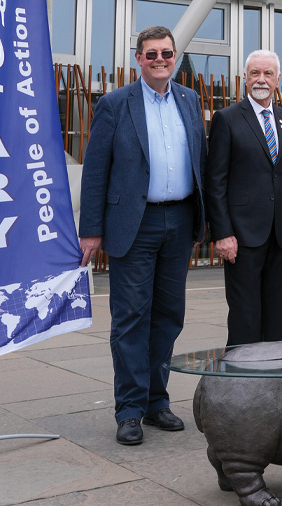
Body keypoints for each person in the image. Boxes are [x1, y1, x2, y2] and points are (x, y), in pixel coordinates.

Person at [79, 26, 206, 445]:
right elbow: (96, 170)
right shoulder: (115, 104)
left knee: (168, 317)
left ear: (174, 57)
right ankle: (130, 410)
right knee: (132, 316)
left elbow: (201, 163)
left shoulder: (189, 100)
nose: (159, 60)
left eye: (166, 53)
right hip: (134, 224)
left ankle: (156, 402)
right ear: (138, 59)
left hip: (179, 222)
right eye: (151, 54)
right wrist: (91, 230)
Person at [205, 50, 282, 347]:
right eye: (254, 73)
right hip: (242, 237)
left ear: (278, 80)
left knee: (277, 317)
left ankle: (273, 381)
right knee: (245, 318)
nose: (261, 79)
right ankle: (238, 383)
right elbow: (215, 181)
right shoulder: (227, 118)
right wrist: (222, 233)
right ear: (245, 78)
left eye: (267, 74)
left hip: (281, 236)